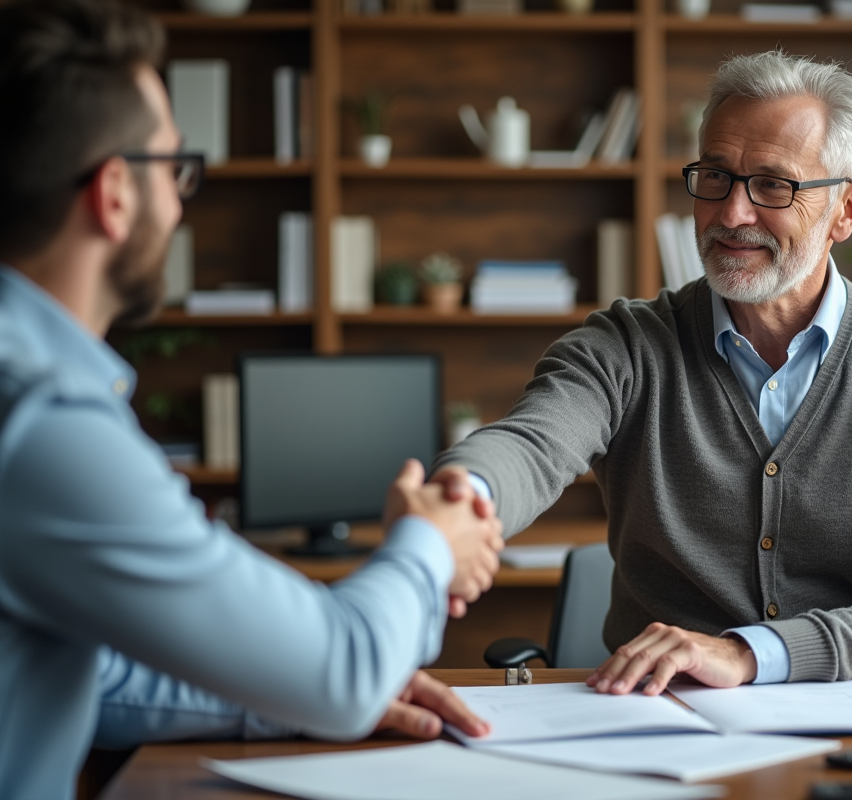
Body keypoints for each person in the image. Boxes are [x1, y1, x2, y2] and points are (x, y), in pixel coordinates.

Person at [0, 1, 503, 797]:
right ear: (115, 192)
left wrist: (287, 695)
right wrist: (430, 543)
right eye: (175, 168)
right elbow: (344, 668)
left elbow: (98, 676)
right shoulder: (40, 421)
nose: (182, 202)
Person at [428, 51, 852, 695]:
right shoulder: (626, 346)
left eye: (773, 186)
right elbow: (531, 445)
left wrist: (751, 654)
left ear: (846, 208)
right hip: (658, 712)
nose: (730, 215)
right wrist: (458, 496)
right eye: (716, 176)